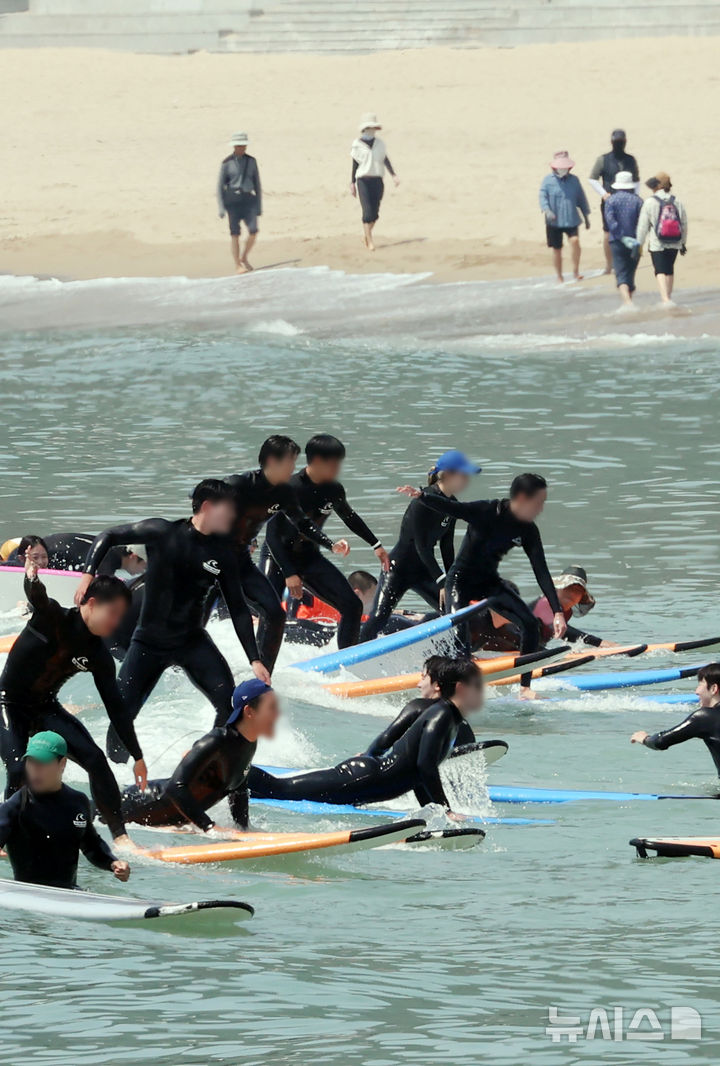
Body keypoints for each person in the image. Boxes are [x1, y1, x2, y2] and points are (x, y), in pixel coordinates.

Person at [73, 479, 269, 765]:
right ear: (207, 507)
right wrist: (88, 575)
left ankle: (205, 764)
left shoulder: (223, 554)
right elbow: (108, 535)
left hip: (192, 641)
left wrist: (255, 659)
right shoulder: (161, 532)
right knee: (122, 717)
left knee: (229, 704)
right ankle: (117, 774)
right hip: (148, 643)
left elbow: (238, 609)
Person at [0, 558, 145, 843]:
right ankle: (7, 833)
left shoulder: (99, 656)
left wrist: (137, 756)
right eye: (112, 613)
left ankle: (119, 836)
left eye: (121, 617)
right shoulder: (53, 618)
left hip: (45, 707)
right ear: (90, 603)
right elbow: (36, 594)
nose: (115, 622)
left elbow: (116, 707)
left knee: (94, 758)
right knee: (18, 767)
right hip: (7, 703)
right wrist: (31, 576)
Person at [397, 472, 567, 699]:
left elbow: (541, 571)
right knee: (459, 633)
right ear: (523, 498)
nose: (541, 508)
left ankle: (524, 688)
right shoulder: (488, 510)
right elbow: (453, 509)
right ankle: (448, 687)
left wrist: (557, 611)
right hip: (459, 581)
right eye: (539, 502)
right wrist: (421, 496)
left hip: (488, 582)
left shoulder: (527, 530)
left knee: (529, 624)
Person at [248, 659, 484, 810]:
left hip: (367, 779)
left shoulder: (449, 718)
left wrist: (432, 812)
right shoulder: (441, 715)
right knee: (279, 789)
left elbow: (417, 773)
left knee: (277, 790)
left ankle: (231, 775)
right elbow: (424, 766)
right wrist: (445, 809)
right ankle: (224, 771)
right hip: (362, 778)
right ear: (461, 688)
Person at [226, 435, 349, 671]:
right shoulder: (240, 484)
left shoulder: (283, 493)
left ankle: (263, 675)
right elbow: (200, 498)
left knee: (274, 613)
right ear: (272, 461)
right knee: (199, 606)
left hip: (239, 560)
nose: (294, 467)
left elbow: (303, 524)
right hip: (212, 557)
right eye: (291, 461)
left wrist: (330, 544)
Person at [261, 434, 389, 649]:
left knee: (352, 605)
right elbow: (272, 536)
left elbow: (349, 517)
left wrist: (376, 545)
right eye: (334, 463)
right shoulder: (290, 488)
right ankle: (260, 661)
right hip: (277, 556)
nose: (338, 469)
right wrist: (289, 573)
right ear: (318, 462)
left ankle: (347, 660)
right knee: (270, 611)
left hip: (308, 555)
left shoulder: (334, 490)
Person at [119, 680, 278, 833]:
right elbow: (175, 788)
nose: (277, 714)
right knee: (97, 815)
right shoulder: (217, 740)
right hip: (137, 805)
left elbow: (237, 787)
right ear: (249, 711)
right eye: (271, 708)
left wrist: (243, 829)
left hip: (167, 817)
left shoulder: (249, 743)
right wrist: (209, 827)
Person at [361, 450, 480, 642]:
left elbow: (447, 547)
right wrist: (440, 581)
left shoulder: (453, 505)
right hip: (398, 569)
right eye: (463, 475)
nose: (467, 480)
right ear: (449, 475)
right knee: (378, 618)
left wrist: (450, 582)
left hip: (424, 570)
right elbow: (421, 545)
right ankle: (353, 651)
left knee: (455, 612)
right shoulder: (423, 501)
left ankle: (459, 656)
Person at [0, 731, 130, 889]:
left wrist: (113, 863)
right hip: (28, 896)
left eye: (43, 763)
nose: (35, 770)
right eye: (31, 762)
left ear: (62, 764)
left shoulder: (78, 802)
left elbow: (91, 846)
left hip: (69, 894)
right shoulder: (17, 805)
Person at [364, 655, 475, 757]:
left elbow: (385, 740)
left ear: (437, 685)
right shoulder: (461, 720)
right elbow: (469, 750)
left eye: (423, 678)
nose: (419, 684)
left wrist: (366, 756)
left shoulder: (418, 706)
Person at [631, 664, 720, 775]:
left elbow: (661, 741)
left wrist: (644, 739)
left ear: (713, 689)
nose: (696, 691)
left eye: (700, 684)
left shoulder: (704, 717)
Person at [590, 129, 640, 273]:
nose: (619, 144)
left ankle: (628, 262)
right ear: (612, 142)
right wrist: (604, 194)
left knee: (630, 229)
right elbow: (592, 178)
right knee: (608, 231)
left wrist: (636, 196)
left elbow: (637, 180)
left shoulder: (631, 160)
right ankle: (609, 264)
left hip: (629, 200)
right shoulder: (603, 159)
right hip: (610, 201)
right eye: (617, 142)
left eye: (621, 142)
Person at [636, 172, 688, 308]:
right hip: (675, 241)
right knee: (669, 269)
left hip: (657, 243)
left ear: (656, 186)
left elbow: (643, 226)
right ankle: (669, 297)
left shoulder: (649, 202)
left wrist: (639, 244)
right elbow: (683, 223)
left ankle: (665, 299)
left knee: (659, 270)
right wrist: (683, 243)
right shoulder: (677, 201)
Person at [539, 150, 591, 283]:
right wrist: (547, 210)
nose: (563, 170)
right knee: (557, 249)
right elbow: (542, 196)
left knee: (575, 241)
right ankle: (559, 276)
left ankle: (576, 271)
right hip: (553, 221)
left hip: (571, 219)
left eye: (565, 167)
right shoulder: (547, 180)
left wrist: (586, 216)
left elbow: (581, 198)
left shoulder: (574, 180)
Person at [350, 113, 400, 252]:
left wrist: (393, 175)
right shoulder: (357, 145)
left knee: (375, 213)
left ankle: (366, 235)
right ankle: (370, 240)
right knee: (367, 213)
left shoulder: (380, 143)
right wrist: (352, 183)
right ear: (364, 129)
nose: (371, 130)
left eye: (373, 127)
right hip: (363, 180)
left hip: (377, 179)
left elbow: (385, 159)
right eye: (369, 128)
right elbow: (354, 164)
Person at [530, 565, 612, 648]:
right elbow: (560, 629)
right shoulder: (545, 602)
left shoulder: (567, 612)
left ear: (581, 597)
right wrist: (599, 643)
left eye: (578, 590)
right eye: (568, 587)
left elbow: (562, 633)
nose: (572, 593)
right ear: (558, 588)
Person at [217, 131, 262, 274]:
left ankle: (244, 256)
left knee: (253, 231)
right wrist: (221, 207)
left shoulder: (252, 161)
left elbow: (257, 183)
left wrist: (259, 205)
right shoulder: (226, 163)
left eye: (243, 145)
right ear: (234, 146)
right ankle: (237, 264)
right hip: (233, 200)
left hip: (249, 199)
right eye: (238, 145)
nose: (241, 148)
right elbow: (220, 187)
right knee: (235, 234)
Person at [603, 171, 644, 308]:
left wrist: (621, 236)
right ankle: (629, 301)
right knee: (630, 273)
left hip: (616, 241)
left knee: (621, 273)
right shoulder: (638, 200)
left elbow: (610, 221)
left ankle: (627, 302)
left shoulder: (611, 201)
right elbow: (642, 223)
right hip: (636, 241)